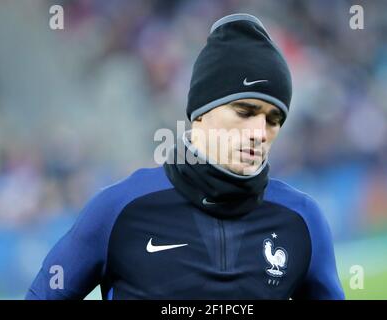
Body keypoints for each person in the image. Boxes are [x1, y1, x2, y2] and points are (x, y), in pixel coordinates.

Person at [26, 13, 344, 300]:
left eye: (273, 120)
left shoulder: (302, 220)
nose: (260, 132)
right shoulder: (119, 210)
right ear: (200, 114)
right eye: (245, 111)